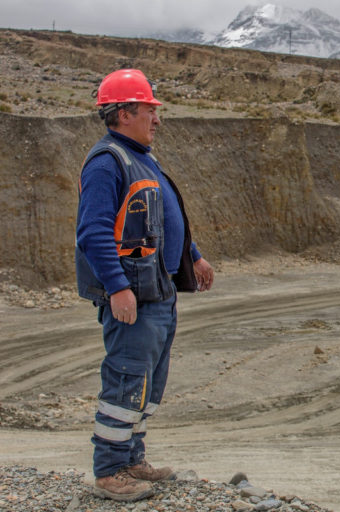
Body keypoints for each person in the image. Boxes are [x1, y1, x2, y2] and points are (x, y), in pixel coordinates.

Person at [75, 68, 214, 502]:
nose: (157, 119)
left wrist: (192, 255)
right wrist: (117, 287)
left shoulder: (141, 157)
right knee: (126, 380)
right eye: (149, 110)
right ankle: (110, 471)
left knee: (148, 382)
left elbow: (163, 216)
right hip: (134, 293)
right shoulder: (108, 162)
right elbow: (93, 232)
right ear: (124, 113)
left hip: (158, 289)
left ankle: (131, 456)